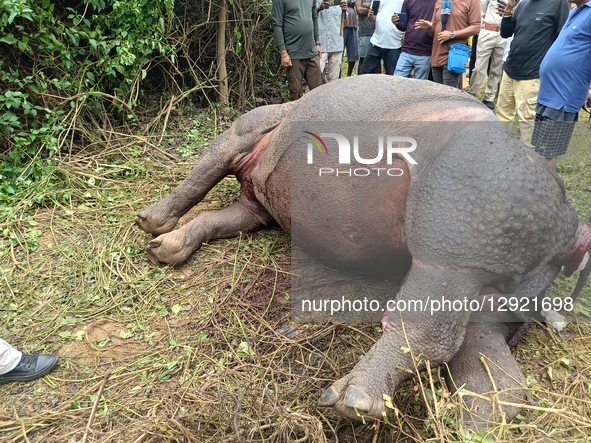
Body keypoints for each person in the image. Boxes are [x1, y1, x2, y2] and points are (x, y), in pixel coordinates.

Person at [494, 0, 569, 146]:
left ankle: (529, 163)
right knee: (502, 116)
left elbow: (562, 40)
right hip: (510, 69)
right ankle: (499, 152)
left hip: (532, 75)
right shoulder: (523, 3)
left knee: (527, 122)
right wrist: (509, 10)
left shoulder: (559, 3)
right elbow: (506, 33)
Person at [531, 0, 591, 170]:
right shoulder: (575, 11)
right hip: (549, 93)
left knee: (548, 152)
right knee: (541, 146)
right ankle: (540, 186)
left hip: (563, 97)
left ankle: (547, 194)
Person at [416, 0, 481, 87]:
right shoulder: (439, 2)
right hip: (437, 56)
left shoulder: (472, 1)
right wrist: (430, 27)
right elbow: (432, 32)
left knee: (449, 96)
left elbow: (476, 27)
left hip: (454, 56)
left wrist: (452, 34)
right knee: (438, 94)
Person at [272, 0, 324, 101]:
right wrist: (283, 53)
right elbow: (277, 24)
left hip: (311, 51)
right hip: (293, 54)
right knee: (296, 95)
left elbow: (314, 18)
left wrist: (317, 43)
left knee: (319, 92)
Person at [466, 0, 507, 109]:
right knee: (479, 67)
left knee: (496, 68)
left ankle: (489, 97)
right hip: (488, 31)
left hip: (503, 34)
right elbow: (481, 10)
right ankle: (472, 93)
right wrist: (481, 31)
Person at [391, 0, 438, 80]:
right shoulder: (408, 1)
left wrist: (429, 26)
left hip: (425, 53)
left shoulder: (438, 2)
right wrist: (397, 22)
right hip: (406, 51)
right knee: (396, 82)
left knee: (419, 87)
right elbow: (403, 26)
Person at [360, 0, 404, 75]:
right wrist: (371, 16)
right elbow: (373, 18)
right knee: (364, 73)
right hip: (376, 41)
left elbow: (407, 17)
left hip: (394, 43)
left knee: (393, 77)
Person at [317, 0, 349, 82]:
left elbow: (344, 18)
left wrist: (344, 9)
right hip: (320, 45)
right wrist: (320, 8)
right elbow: (308, 15)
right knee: (315, 77)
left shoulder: (340, 1)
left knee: (334, 80)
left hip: (336, 43)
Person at [355, 1, 380, 74]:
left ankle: (377, 83)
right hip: (365, 33)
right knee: (363, 59)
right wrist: (374, 9)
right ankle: (359, 82)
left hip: (377, 33)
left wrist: (366, 5)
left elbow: (381, 7)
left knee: (377, 60)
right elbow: (359, 10)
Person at [343, 1, 360, 76]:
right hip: (340, 23)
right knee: (339, 53)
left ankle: (349, 75)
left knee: (353, 51)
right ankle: (338, 76)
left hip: (353, 22)